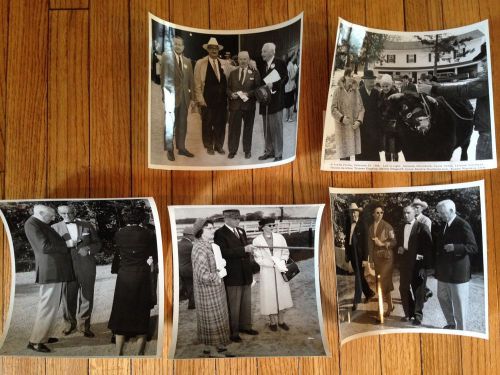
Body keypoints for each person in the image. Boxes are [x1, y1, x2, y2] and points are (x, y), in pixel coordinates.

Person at [418, 43, 491, 160]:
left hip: (488, 137)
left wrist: (433, 89)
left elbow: (463, 90)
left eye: (485, 60)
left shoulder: (489, 79)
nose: (482, 65)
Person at [24, 204, 75, 353]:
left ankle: (43, 336)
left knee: (51, 306)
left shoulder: (38, 223)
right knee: (47, 306)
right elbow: (44, 247)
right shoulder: (31, 224)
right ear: (40, 213)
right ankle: (35, 341)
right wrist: (66, 244)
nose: (53, 218)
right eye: (50, 216)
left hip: (55, 270)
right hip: (50, 270)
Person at [108, 207, 158, 355]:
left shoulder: (119, 233)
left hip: (124, 275)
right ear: (142, 218)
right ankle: (139, 353)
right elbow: (153, 254)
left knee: (121, 311)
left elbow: (119, 253)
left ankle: (118, 352)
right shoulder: (148, 234)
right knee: (141, 310)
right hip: (141, 274)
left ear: (126, 218)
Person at [51, 205, 102, 338]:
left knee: (87, 297)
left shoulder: (87, 225)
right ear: (59, 214)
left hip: (87, 267)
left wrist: (89, 249)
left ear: (75, 212)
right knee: (68, 298)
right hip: (67, 268)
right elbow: (52, 248)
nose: (67, 216)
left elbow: (98, 243)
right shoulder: (54, 228)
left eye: (69, 213)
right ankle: (69, 325)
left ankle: (84, 327)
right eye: (64, 214)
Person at [191, 218, 234, 358]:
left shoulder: (208, 245)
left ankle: (216, 348)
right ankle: (211, 353)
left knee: (216, 320)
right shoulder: (199, 248)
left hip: (215, 290)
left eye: (213, 227)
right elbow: (203, 275)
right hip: (207, 292)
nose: (213, 230)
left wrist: (219, 265)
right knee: (210, 322)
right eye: (209, 228)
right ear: (200, 232)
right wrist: (219, 274)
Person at [214, 209, 258, 342]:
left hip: (245, 274)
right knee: (233, 305)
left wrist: (249, 251)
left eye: (239, 218)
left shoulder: (241, 231)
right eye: (234, 218)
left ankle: (245, 326)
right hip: (233, 276)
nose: (237, 220)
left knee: (246, 303)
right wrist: (243, 249)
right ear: (225, 218)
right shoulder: (220, 233)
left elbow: (244, 251)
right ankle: (233, 332)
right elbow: (222, 252)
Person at [435, 199, 478, 330]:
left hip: (458, 272)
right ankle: (451, 323)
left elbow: (473, 247)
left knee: (459, 304)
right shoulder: (444, 225)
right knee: (442, 297)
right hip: (444, 272)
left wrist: (455, 247)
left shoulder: (462, 224)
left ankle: (461, 330)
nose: (439, 215)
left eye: (442, 212)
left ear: (452, 210)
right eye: (439, 213)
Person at [252, 218, 293, 331]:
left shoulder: (280, 237)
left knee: (282, 296)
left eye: (273, 225)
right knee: (269, 296)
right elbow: (258, 258)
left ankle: (281, 321)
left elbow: (286, 252)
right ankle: (272, 322)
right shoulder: (257, 241)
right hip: (267, 271)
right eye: (269, 225)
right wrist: (271, 264)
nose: (272, 227)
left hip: (280, 269)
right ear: (263, 227)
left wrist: (282, 261)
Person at [160, 35, 195, 161]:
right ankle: (169, 149)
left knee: (182, 124)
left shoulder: (187, 62)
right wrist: (164, 96)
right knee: (170, 124)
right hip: (171, 98)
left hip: (184, 98)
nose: (178, 46)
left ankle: (181, 148)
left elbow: (191, 81)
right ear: (172, 45)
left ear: (183, 47)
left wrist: (193, 99)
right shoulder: (166, 57)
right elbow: (163, 77)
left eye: (180, 44)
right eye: (175, 44)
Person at [396, 205, 432, 325]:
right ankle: (409, 313)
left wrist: (424, 266)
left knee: (418, 290)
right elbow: (399, 243)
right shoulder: (401, 227)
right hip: (405, 261)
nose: (406, 215)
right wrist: (400, 248)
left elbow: (428, 249)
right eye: (404, 213)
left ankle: (418, 316)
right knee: (403, 288)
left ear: (414, 213)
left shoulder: (422, 227)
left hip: (418, 263)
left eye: (408, 213)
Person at [194, 37, 230, 155]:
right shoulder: (200, 63)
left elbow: (236, 69)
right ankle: (209, 145)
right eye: (211, 48)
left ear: (218, 50)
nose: (214, 50)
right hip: (207, 101)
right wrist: (200, 100)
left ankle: (219, 146)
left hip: (222, 101)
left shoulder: (224, 63)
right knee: (207, 124)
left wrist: (250, 62)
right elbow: (197, 84)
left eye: (216, 48)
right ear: (208, 50)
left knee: (220, 124)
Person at [226, 51, 261, 159]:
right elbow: (227, 88)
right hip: (235, 106)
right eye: (240, 59)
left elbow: (258, 89)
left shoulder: (255, 73)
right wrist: (231, 94)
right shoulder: (233, 73)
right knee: (233, 129)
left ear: (248, 60)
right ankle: (232, 150)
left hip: (249, 106)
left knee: (248, 129)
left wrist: (249, 94)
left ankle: (247, 150)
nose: (242, 61)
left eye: (245, 59)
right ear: (238, 60)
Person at [258, 42, 288, 162]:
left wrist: (274, 85)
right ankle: (269, 151)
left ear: (272, 52)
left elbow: (285, 78)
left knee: (276, 128)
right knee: (267, 129)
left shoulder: (280, 62)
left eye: (264, 51)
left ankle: (278, 154)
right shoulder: (263, 65)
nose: (262, 54)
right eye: (262, 52)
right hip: (265, 103)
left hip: (276, 102)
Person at [344, 203, 375, 311]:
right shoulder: (348, 223)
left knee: (358, 276)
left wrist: (365, 260)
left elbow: (366, 243)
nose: (353, 214)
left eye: (355, 212)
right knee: (360, 276)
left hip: (360, 255)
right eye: (351, 212)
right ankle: (369, 293)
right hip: (352, 254)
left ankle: (356, 301)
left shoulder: (363, 225)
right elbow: (347, 240)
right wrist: (347, 254)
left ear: (358, 212)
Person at [368, 204, 396, 317]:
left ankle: (380, 311)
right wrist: (370, 260)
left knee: (382, 283)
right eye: (377, 212)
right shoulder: (370, 228)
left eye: (381, 212)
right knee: (383, 283)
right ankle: (390, 305)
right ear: (373, 214)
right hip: (376, 259)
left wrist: (383, 244)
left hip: (387, 258)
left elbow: (394, 242)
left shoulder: (387, 226)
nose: (380, 214)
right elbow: (370, 245)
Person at [331, 69, 365, 160]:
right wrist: (341, 118)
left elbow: (362, 108)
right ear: (345, 76)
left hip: (353, 127)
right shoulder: (338, 91)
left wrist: (359, 121)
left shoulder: (356, 91)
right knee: (343, 155)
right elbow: (333, 109)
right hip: (342, 128)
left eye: (353, 76)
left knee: (353, 155)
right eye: (350, 76)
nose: (351, 78)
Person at [412, 198, 433, 301]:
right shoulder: (411, 219)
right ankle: (425, 292)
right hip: (412, 251)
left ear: (421, 209)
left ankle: (422, 294)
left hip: (421, 250)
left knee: (420, 274)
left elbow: (426, 239)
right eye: (414, 207)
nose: (415, 209)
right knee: (414, 275)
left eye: (417, 207)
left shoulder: (426, 220)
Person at [358, 70, 382, 161]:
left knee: (374, 153)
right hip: (362, 127)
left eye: (373, 81)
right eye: (370, 82)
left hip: (374, 128)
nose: (373, 84)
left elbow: (379, 109)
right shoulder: (358, 93)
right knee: (362, 152)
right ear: (365, 81)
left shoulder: (376, 93)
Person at [378, 74, 400, 161]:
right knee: (386, 147)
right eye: (383, 86)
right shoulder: (381, 94)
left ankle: (395, 161)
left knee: (394, 147)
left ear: (390, 85)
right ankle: (388, 162)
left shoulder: (396, 94)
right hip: (384, 124)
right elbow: (379, 107)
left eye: (387, 86)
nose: (385, 88)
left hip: (394, 124)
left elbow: (398, 108)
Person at [178, 226, 195, 309]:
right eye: (193, 235)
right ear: (189, 235)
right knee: (192, 287)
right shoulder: (190, 245)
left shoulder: (178, 243)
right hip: (188, 270)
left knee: (185, 287)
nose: (194, 237)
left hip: (180, 270)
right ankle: (192, 305)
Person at [284, 55, 298, 122]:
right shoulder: (290, 65)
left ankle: (288, 117)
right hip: (288, 87)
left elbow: (291, 77)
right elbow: (292, 76)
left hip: (288, 87)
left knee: (288, 103)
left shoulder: (287, 65)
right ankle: (289, 117)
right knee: (289, 103)